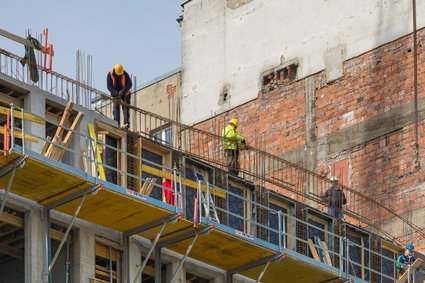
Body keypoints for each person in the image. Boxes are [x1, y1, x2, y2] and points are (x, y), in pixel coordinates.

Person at [107, 64, 132, 128]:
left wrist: (123, 91)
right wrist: (115, 93)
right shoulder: (110, 75)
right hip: (115, 94)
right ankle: (116, 123)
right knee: (116, 108)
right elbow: (109, 86)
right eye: (118, 73)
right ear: (115, 70)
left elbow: (129, 84)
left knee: (125, 107)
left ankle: (126, 124)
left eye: (120, 74)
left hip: (125, 93)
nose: (119, 75)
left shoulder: (124, 73)